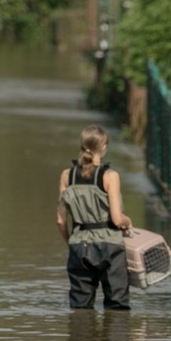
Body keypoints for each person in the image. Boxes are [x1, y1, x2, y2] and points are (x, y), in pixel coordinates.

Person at [56, 125, 133, 310]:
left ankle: (81, 336)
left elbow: (60, 220)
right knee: (117, 306)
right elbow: (116, 219)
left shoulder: (67, 175)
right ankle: (113, 336)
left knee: (79, 307)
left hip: (79, 245)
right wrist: (128, 221)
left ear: (82, 145)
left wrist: (71, 242)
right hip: (109, 246)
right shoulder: (110, 176)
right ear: (104, 147)